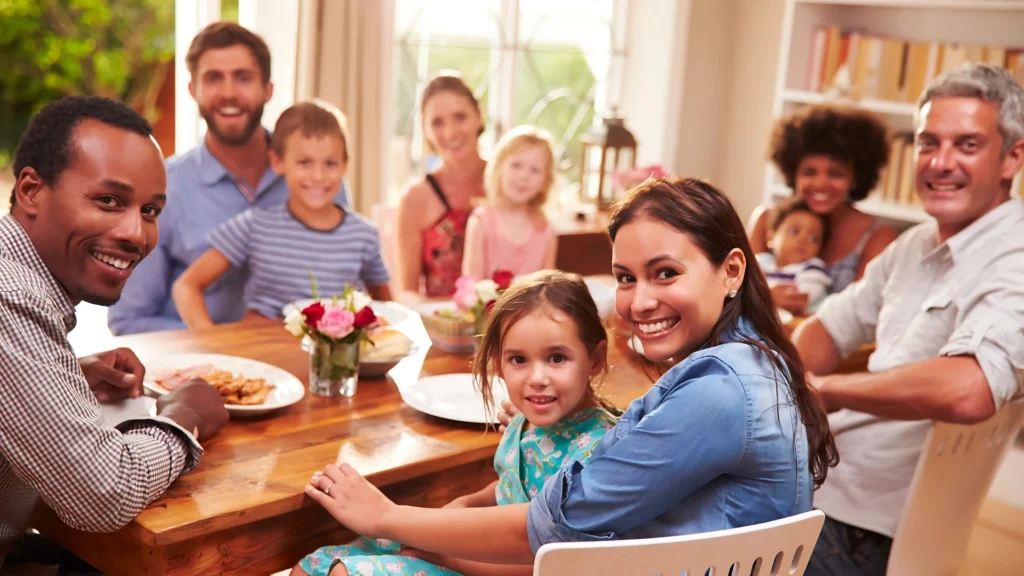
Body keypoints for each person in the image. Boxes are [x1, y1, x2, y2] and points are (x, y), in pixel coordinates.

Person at [298, 178, 837, 571]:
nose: (641, 300)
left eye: (666, 273)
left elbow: (551, 531)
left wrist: (387, 518)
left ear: (731, 271)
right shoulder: (755, 364)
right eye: (626, 278)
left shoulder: (722, 393)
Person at [793, 64, 1024, 575]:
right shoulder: (915, 243)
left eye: (967, 145)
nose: (940, 163)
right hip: (824, 485)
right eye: (928, 143)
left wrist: (829, 390)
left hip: (855, 527)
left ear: (1012, 158)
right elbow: (826, 327)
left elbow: (971, 387)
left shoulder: (1016, 257)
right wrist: (788, 384)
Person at [0, 96, 229, 569]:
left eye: (150, 210)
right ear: (30, 191)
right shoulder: (11, 298)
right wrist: (182, 418)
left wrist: (67, 373)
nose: (136, 233)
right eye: (108, 200)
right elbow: (104, 493)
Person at [292, 270, 617, 576]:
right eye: (518, 359)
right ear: (498, 364)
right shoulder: (525, 420)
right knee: (314, 565)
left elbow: (544, 562)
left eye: (557, 357)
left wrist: (440, 553)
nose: (537, 378)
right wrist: (464, 505)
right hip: (474, 544)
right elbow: (512, 486)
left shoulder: (596, 452)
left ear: (596, 358)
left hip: (496, 567)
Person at [107, 22, 348, 334]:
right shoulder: (163, 187)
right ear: (193, 90)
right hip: (197, 365)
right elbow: (130, 320)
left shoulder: (320, 179)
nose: (229, 93)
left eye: (243, 78)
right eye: (213, 78)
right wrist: (225, 347)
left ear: (268, 89)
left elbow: (343, 293)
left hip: (299, 365)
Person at [172, 101, 391, 328]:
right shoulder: (255, 225)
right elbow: (186, 286)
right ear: (277, 162)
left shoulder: (364, 235)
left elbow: (388, 310)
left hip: (333, 360)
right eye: (304, 163)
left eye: (330, 163)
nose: (318, 176)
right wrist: (212, 341)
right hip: (260, 354)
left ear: (345, 165)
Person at [748, 104, 897, 313]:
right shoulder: (766, 220)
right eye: (809, 172)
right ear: (793, 173)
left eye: (835, 173)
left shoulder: (877, 238)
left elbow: (861, 315)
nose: (820, 183)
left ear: (856, 178)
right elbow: (736, 292)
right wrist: (765, 298)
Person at [395, 72, 487, 299]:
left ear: (479, 117)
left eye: (460, 117)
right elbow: (409, 293)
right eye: (437, 122)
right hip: (442, 328)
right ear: (425, 131)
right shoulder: (415, 198)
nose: (450, 132)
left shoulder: (510, 184)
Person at [462, 126, 558, 280]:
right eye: (516, 165)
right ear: (499, 168)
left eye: (535, 170)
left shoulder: (546, 230)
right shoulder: (481, 222)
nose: (524, 176)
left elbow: (547, 288)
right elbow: (471, 286)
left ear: (545, 180)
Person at [755, 198, 832, 312]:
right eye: (794, 231)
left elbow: (804, 296)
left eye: (813, 238)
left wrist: (762, 297)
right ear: (771, 238)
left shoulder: (812, 268)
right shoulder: (761, 263)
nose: (803, 240)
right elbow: (740, 286)